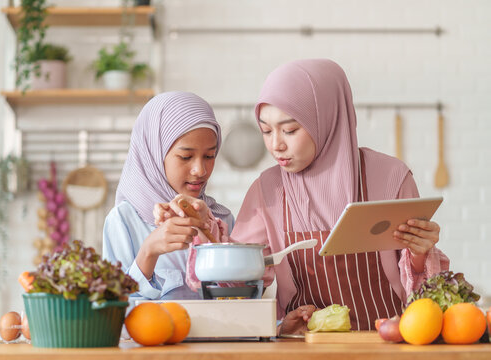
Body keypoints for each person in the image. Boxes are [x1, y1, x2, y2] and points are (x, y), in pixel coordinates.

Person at [158, 59, 449, 334]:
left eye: (290, 130)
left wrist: (420, 252)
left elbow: (424, 288)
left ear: (327, 119)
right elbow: (238, 275)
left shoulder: (390, 178)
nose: (276, 145)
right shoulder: (267, 190)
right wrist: (204, 228)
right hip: (304, 346)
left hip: (387, 342)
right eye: (266, 131)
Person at [103, 91, 234, 300]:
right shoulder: (123, 221)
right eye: (186, 156)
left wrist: (209, 234)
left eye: (209, 155)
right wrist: (148, 252)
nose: (200, 170)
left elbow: (241, 302)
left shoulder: (221, 221)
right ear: (153, 153)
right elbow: (110, 310)